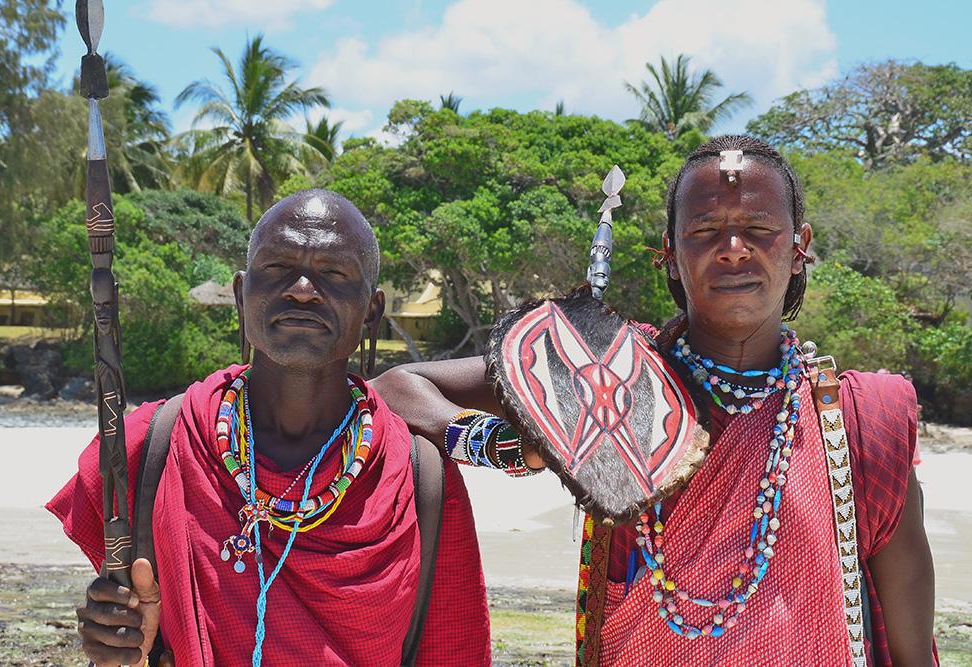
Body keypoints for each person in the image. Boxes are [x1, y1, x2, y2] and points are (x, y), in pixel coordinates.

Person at [372, 136, 936, 666]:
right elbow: (400, 386)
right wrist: (514, 448)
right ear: (669, 253)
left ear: (799, 247)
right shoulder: (608, 375)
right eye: (705, 229)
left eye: (759, 228)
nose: (733, 250)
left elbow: (912, 648)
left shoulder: (862, 419)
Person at [48, 190, 491, 667]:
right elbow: (129, 621)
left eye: (334, 272)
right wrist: (117, 641)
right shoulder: (154, 442)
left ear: (371, 311)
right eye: (278, 266)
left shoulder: (419, 477)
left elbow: (451, 651)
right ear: (242, 295)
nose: (302, 289)